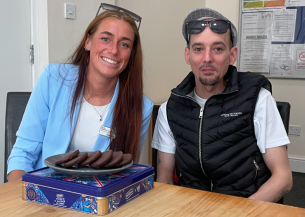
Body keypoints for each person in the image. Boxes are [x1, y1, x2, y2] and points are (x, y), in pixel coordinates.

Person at [152, 7, 292, 202]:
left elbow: (283, 179)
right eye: (198, 49)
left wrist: (240, 213)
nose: (207, 58)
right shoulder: (170, 109)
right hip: (192, 207)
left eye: (218, 48)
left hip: (247, 206)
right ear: (187, 55)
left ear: (232, 55)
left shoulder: (258, 98)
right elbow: (165, 179)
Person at [8, 3, 153, 181]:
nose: (114, 50)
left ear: (131, 54)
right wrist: (20, 199)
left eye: (124, 44)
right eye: (106, 39)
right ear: (88, 42)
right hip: (43, 192)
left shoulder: (141, 106)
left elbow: (125, 170)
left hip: (98, 200)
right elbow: (23, 153)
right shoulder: (53, 78)